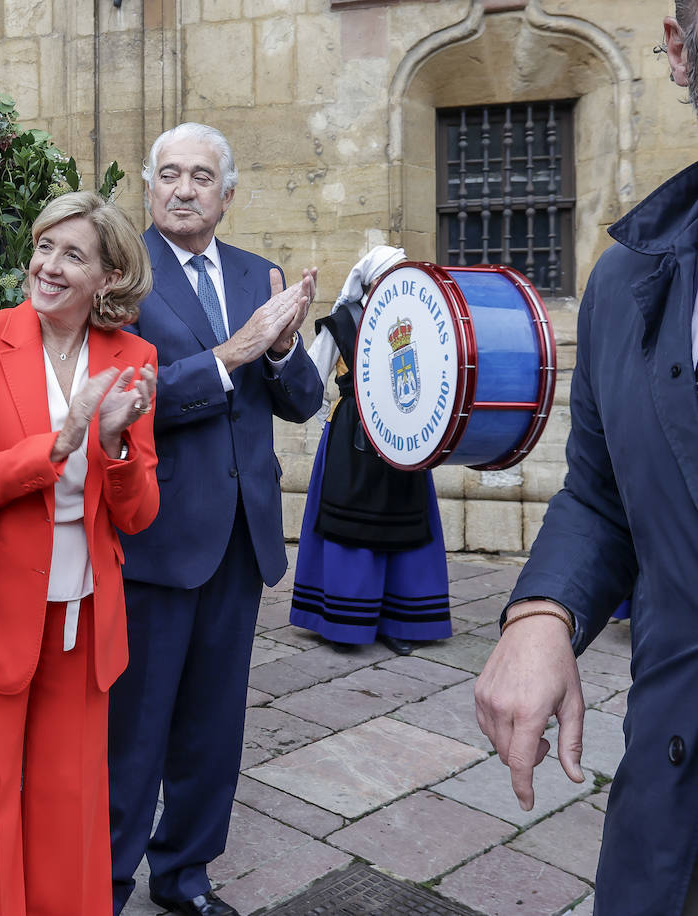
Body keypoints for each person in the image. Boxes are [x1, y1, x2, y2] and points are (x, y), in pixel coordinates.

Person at [474, 7, 698, 913]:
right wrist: (541, 611)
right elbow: (606, 496)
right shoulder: (628, 281)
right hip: (670, 811)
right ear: (682, 52)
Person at [0, 191, 160, 916]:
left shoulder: (134, 357)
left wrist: (112, 444)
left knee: (69, 804)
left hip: (83, 616)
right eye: (44, 245)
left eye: (71, 254)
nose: (47, 265)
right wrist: (56, 442)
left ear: (108, 276)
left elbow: (140, 514)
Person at [108, 122, 324, 916]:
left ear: (227, 195)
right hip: (156, 536)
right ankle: (105, 878)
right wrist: (234, 353)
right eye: (169, 174)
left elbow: (303, 403)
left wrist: (279, 348)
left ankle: (185, 874)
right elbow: (128, 399)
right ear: (149, 186)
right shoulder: (121, 275)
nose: (184, 189)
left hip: (240, 538)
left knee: (212, 726)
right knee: (135, 727)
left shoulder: (256, 274)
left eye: (201, 176)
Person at [289, 245, 453, 656]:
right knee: (351, 523)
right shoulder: (342, 321)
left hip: (404, 437)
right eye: (390, 276)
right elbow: (308, 379)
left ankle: (401, 619)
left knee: (404, 521)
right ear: (371, 282)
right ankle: (345, 618)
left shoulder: (415, 318)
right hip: (351, 438)